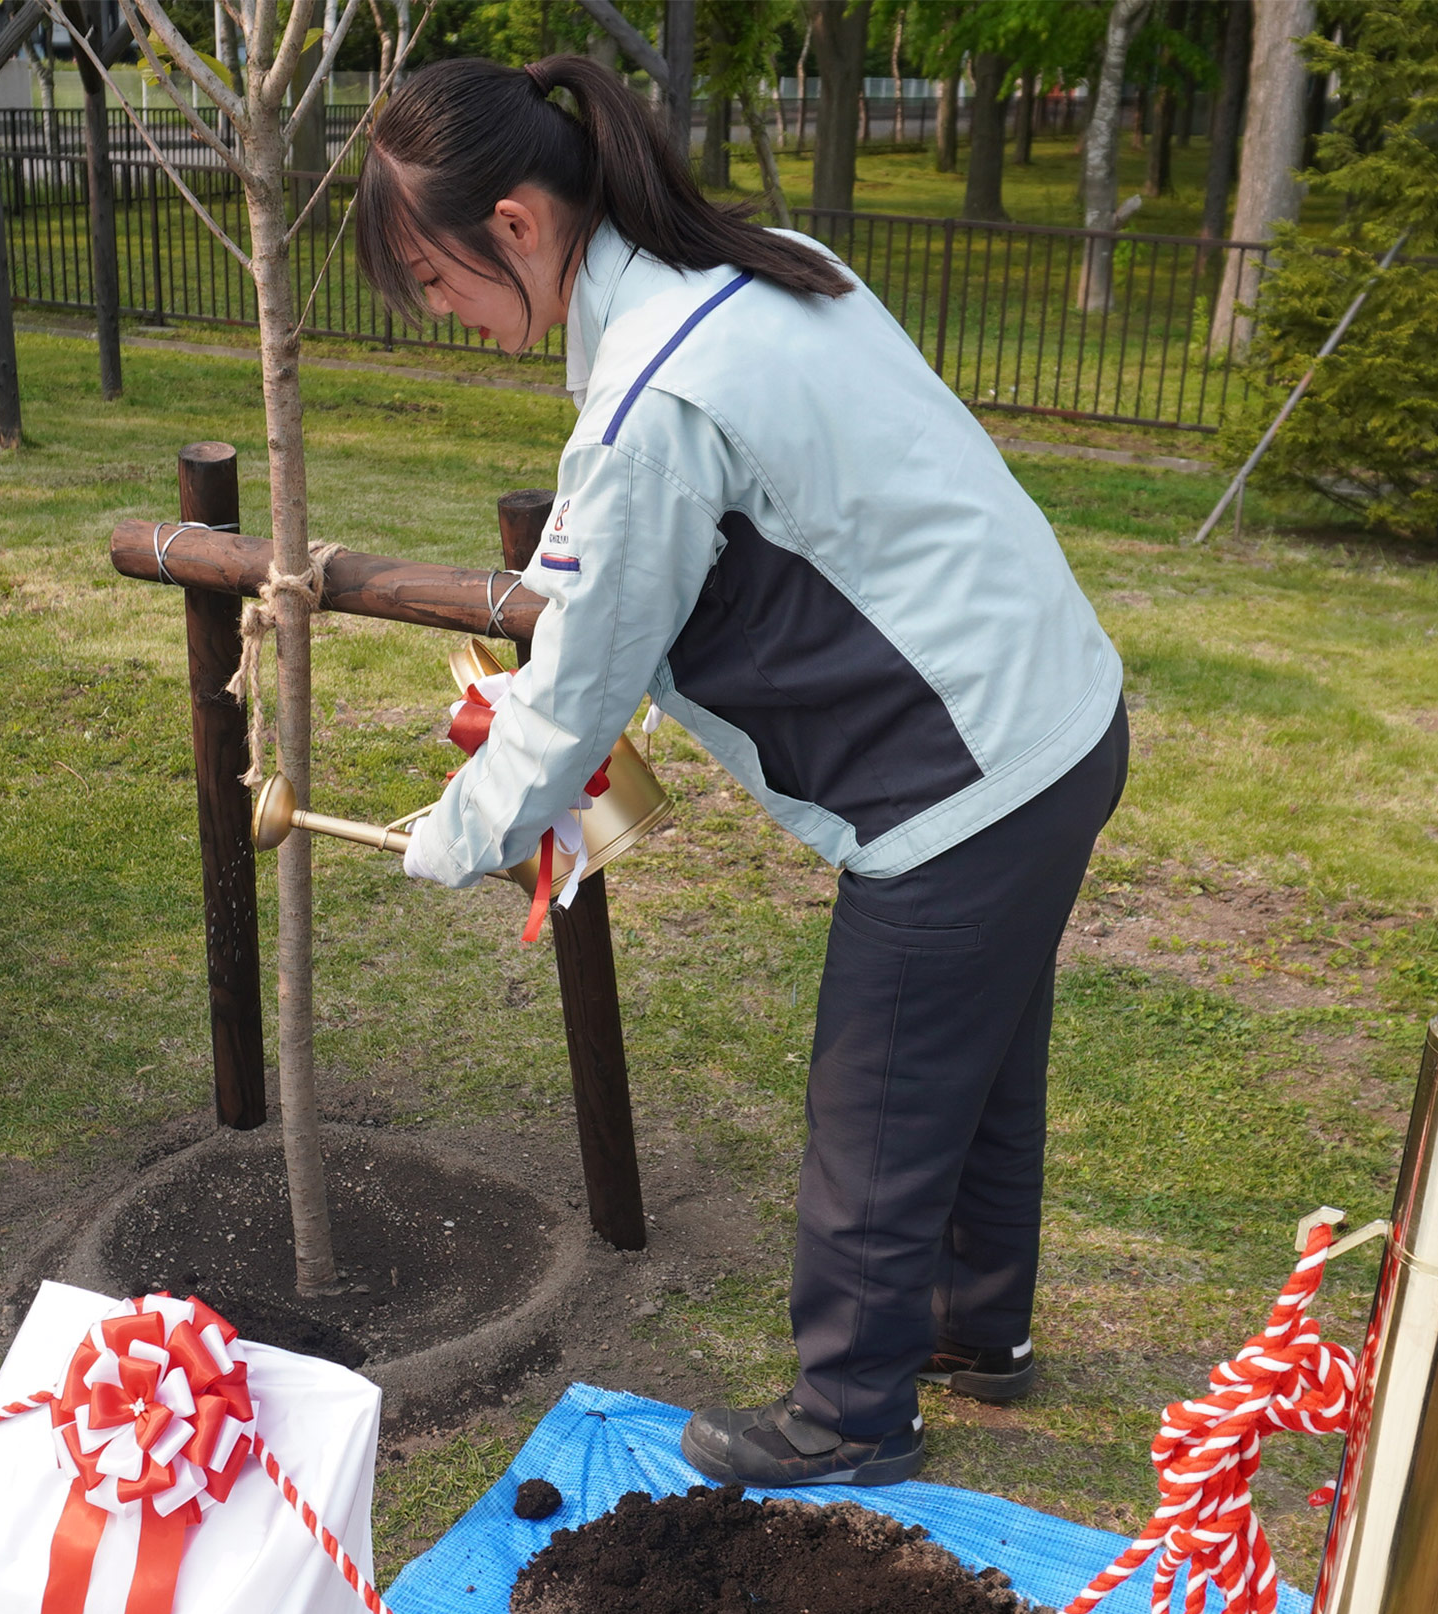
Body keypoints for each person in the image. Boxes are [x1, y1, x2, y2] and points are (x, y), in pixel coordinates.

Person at [359, 55, 1128, 1490]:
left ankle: (852, 1414)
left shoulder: (655, 399)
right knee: (978, 1053)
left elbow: (581, 685)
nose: (445, 319)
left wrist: (457, 829)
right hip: (1059, 716)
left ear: (517, 223)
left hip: (958, 784)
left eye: (434, 280)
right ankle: (976, 1329)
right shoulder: (768, 271)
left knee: (883, 1096)